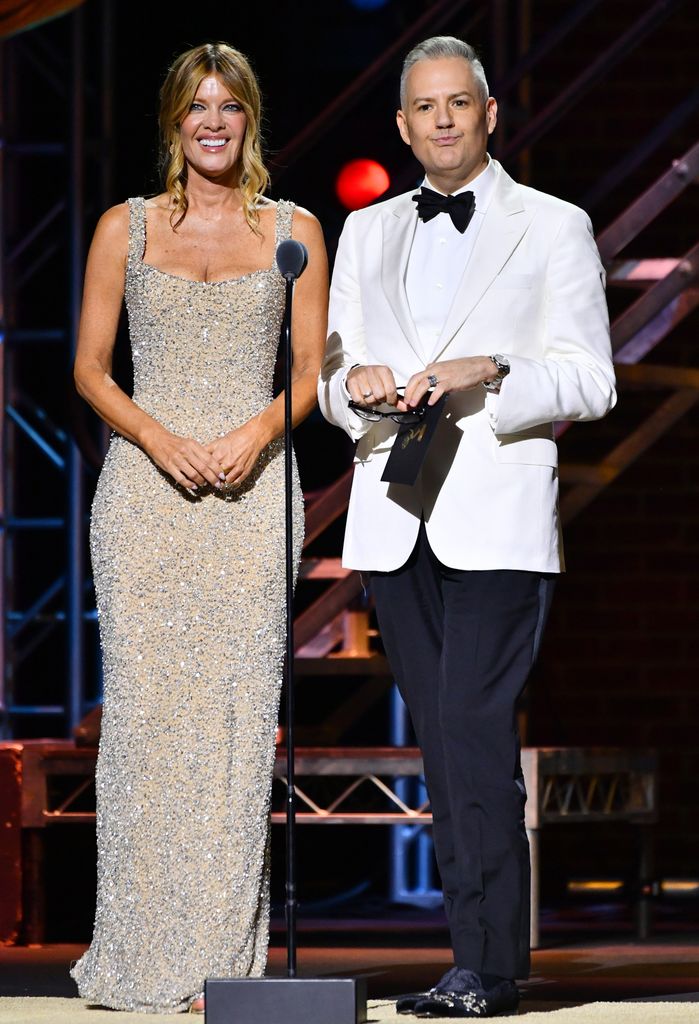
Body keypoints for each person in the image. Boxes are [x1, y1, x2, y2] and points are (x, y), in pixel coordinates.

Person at [318, 35, 615, 1019]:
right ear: (402, 126)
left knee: (471, 729)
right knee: (445, 747)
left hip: (494, 511)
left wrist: (491, 370)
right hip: (396, 514)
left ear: (489, 113)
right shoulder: (364, 232)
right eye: (424, 108)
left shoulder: (554, 225)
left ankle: (485, 964)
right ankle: (479, 957)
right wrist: (349, 387)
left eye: (459, 103)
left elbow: (592, 378)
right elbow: (332, 377)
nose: (442, 120)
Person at [70, 42, 327, 1014]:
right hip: (147, 501)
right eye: (195, 108)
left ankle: (221, 971)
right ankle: (138, 954)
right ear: (175, 123)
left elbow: (308, 370)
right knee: (147, 730)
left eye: (228, 106)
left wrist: (258, 434)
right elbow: (91, 369)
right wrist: (159, 435)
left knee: (230, 734)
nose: (212, 122)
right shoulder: (122, 229)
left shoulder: (294, 228)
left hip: (251, 499)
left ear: (250, 118)